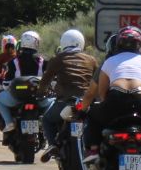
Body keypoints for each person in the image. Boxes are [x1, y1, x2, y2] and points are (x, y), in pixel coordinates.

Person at [80, 27, 141, 157]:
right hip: (140, 100)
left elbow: (102, 93)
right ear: (140, 44)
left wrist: (90, 110)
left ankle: (93, 149)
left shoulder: (109, 61)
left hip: (116, 99)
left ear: (118, 43)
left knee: (92, 116)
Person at [38, 29, 98, 157]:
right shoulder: (91, 60)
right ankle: (94, 148)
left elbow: (45, 80)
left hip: (66, 101)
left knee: (47, 120)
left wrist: (40, 92)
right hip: (85, 102)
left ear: (63, 43)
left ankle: (53, 144)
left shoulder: (57, 59)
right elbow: (98, 79)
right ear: (81, 43)